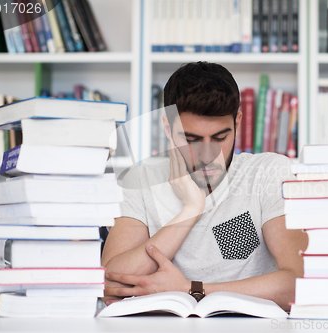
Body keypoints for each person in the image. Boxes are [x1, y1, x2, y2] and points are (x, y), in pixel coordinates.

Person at [101, 62, 307, 311]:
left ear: (238, 124)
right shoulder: (140, 180)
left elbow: (299, 283)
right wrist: (191, 209)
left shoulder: (267, 173)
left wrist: (192, 289)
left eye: (220, 137)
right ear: (168, 127)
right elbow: (111, 282)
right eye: (192, 139)